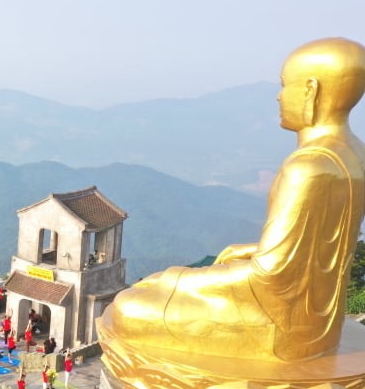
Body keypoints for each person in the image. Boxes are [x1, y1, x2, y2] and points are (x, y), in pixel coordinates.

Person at [100, 39, 365, 367]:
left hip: (278, 330)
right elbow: (304, 259)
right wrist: (254, 250)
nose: (279, 96)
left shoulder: (308, 168)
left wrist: (179, 278)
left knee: (129, 307)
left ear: (311, 90)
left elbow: (269, 279)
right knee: (147, 293)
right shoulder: (355, 154)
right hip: (322, 327)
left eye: (284, 86)